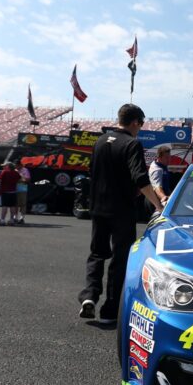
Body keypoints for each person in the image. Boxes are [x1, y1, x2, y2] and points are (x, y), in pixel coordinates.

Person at [78, 104, 164, 324]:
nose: (140, 128)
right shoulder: (132, 143)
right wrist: (157, 204)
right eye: (141, 124)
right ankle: (110, 309)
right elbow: (140, 179)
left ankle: (89, 296)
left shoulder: (99, 141)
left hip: (98, 206)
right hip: (122, 209)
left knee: (97, 253)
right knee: (120, 258)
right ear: (135, 122)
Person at [148, 146, 171, 213]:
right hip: (155, 202)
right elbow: (157, 188)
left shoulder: (163, 165)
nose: (169, 159)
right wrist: (164, 198)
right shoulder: (157, 170)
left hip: (161, 200)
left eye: (169, 157)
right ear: (159, 157)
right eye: (166, 157)